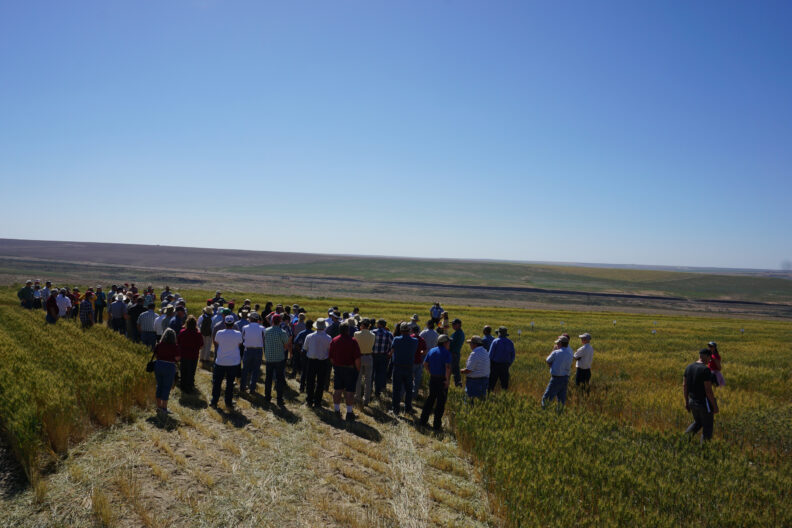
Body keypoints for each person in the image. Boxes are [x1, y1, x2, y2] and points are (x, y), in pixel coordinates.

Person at [684, 348, 719, 443]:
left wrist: (687, 402)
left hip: (692, 401)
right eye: (710, 358)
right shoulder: (705, 370)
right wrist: (714, 406)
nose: (710, 361)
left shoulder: (689, 367)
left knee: (698, 422)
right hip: (704, 403)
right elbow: (708, 390)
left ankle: (683, 441)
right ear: (706, 356)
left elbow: (685, 386)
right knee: (707, 427)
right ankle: (704, 450)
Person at [329, 321, 362, 421]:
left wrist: (335, 366)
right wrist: (358, 369)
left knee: (337, 390)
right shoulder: (353, 341)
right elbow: (357, 358)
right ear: (348, 330)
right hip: (350, 369)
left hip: (338, 368)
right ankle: (349, 413)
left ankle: (336, 411)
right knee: (349, 392)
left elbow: (331, 357)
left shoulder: (334, 340)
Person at [420, 334, 452, 430]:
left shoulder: (432, 350)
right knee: (440, 403)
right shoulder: (447, 353)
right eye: (448, 342)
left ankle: (423, 420)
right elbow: (447, 367)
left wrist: (430, 372)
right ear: (445, 343)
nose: (449, 344)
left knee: (430, 399)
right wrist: (447, 380)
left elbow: (425, 364)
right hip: (442, 379)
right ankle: (436, 425)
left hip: (433, 379)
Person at [211, 315, 243, 409]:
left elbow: (216, 342)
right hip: (233, 362)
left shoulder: (219, 333)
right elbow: (240, 343)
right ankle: (228, 402)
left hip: (220, 361)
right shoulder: (238, 333)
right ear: (233, 324)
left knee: (217, 383)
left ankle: (214, 401)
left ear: (225, 323)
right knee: (230, 384)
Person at [390, 323, 418, 415]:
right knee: (409, 389)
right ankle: (408, 409)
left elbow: (392, 351)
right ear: (409, 330)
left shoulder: (396, 339)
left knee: (396, 389)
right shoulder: (415, 341)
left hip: (398, 367)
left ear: (401, 331)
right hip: (409, 368)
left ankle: (395, 410)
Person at [303, 318, 332, 407]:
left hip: (311, 361)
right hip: (323, 362)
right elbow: (329, 350)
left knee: (310, 381)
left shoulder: (309, 336)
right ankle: (317, 401)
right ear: (324, 327)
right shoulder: (328, 338)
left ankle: (309, 400)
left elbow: (305, 348)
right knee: (320, 382)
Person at [263, 314, 290, 406]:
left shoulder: (266, 331)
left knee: (268, 378)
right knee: (279, 379)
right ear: (280, 321)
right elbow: (286, 346)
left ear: (272, 321)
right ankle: (279, 399)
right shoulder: (282, 332)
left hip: (269, 358)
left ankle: (267, 397)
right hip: (279, 358)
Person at [541, 335, 574, 410]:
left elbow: (548, 360)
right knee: (561, 399)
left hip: (556, 378)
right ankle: (559, 415)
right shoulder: (570, 353)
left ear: (561, 343)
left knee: (546, 398)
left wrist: (551, 366)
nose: (557, 344)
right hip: (565, 378)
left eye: (558, 343)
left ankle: (544, 413)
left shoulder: (556, 352)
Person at [154, 328, 181, 417]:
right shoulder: (175, 346)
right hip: (169, 367)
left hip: (158, 365)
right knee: (166, 387)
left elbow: (156, 355)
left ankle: (158, 407)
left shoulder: (159, 344)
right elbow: (177, 358)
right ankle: (164, 408)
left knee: (159, 385)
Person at [240, 312, 266, 393]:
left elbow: (243, 338)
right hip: (258, 350)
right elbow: (264, 339)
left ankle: (242, 386)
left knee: (245, 369)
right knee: (256, 370)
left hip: (247, 349)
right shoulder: (262, 328)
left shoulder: (245, 327)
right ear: (257, 319)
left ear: (250, 319)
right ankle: (252, 388)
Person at [178, 316, 203, 393]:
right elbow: (201, 345)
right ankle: (190, 387)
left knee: (183, 371)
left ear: (187, 323)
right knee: (191, 372)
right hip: (193, 355)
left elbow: (178, 343)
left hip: (184, 354)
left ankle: (183, 386)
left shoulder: (182, 332)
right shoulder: (198, 334)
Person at [353, 319, 376, 406]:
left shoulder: (356, 334)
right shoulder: (373, 335)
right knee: (368, 380)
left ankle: (358, 397)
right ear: (369, 326)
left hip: (359, 357)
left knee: (358, 379)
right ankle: (366, 399)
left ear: (362, 325)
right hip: (369, 357)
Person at [462, 336, 490, 400]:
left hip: (474, 382)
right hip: (485, 380)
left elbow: (468, 370)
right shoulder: (485, 352)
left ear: (474, 344)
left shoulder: (474, 353)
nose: (470, 345)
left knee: (470, 401)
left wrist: (461, 371)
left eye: (470, 343)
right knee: (481, 401)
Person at [488, 326, 515, 392]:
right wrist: (509, 364)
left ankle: (488, 397)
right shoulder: (510, 342)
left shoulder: (495, 341)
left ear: (499, 333)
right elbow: (513, 355)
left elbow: (490, 355)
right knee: (504, 384)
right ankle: (504, 398)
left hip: (495, 365)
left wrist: (489, 364)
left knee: (491, 383)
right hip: (505, 365)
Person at [372, 319, 393, 399]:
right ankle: (377, 392)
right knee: (380, 374)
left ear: (379, 324)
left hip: (373, 355)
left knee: (371, 373)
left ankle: (369, 391)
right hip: (384, 356)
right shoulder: (389, 334)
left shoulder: (373, 332)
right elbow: (392, 346)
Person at [294, 319, 313, 392]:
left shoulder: (301, 333)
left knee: (303, 371)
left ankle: (302, 387)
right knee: (310, 372)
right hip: (311, 354)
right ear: (312, 326)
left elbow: (296, 343)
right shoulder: (313, 334)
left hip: (303, 353)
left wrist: (300, 351)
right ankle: (309, 388)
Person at [410, 324, 428, 398]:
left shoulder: (410, 337)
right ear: (418, 331)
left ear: (412, 331)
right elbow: (425, 351)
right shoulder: (422, 339)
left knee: (409, 378)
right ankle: (414, 395)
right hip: (419, 361)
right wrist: (420, 353)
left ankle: (407, 393)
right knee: (417, 380)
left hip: (411, 361)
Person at [449, 318, 465, 387]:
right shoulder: (458, 332)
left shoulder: (458, 333)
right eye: (452, 324)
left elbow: (451, 344)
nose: (453, 325)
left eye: (454, 324)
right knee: (456, 371)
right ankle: (458, 385)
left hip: (453, 354)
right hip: (455, 354)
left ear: (459, 325)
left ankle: (455, 385)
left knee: (451, 370)